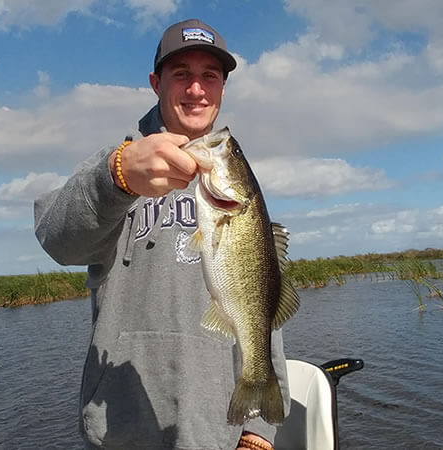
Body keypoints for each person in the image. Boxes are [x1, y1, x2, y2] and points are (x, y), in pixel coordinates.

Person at [34, 19, 289, 450]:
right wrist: (117, 177)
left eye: (210, 76)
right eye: (181, 74)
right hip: (122, 429)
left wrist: (259, 430)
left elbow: (260, 306)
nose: (196, 90)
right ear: (156, 83)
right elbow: (57, 239)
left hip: (218, 431)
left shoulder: (238, 189)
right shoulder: (117, 165)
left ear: (223, 89)